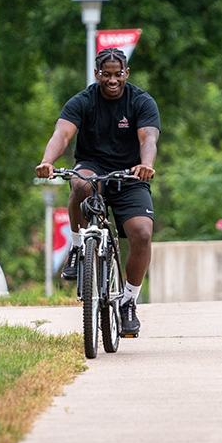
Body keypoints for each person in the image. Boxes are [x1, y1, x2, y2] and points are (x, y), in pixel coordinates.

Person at [35, 47, 160, 337]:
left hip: (130, 174)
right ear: (97, 74)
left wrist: (146, 164)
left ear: (126, 73)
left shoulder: (141, 102)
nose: (112, 80)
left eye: (118, 74)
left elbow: (149, 137)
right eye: (106, 75)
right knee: (80, 183)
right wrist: (47, 162)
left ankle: (128, 301)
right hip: (94, 167)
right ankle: (79, 247)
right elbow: (62, 134)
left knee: (142, 233)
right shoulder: (83, 101)